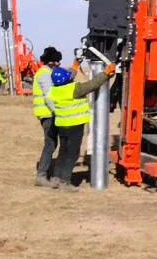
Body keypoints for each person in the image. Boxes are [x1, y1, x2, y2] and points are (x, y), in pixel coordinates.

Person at [43, 62, 114, 190]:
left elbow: (68, 76)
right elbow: (92, 85)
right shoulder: (74, 89)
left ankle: (56, 178)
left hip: (62, 126)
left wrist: (75, 66)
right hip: (75, 126)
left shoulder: (54, 91)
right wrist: (106, 74)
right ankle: (66, 181)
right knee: (73, 154)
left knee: (63, 152)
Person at [32, 47, 64, 186]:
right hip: (48, 114)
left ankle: (44, 173)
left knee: (52, 143)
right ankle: (42, 175)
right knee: (50, 144)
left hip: (48, 114)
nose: (58, 65)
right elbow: (49, 96)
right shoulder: (45, 74)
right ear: (51, 62)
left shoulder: (46, 72)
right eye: (57, 63)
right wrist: (58, 112)